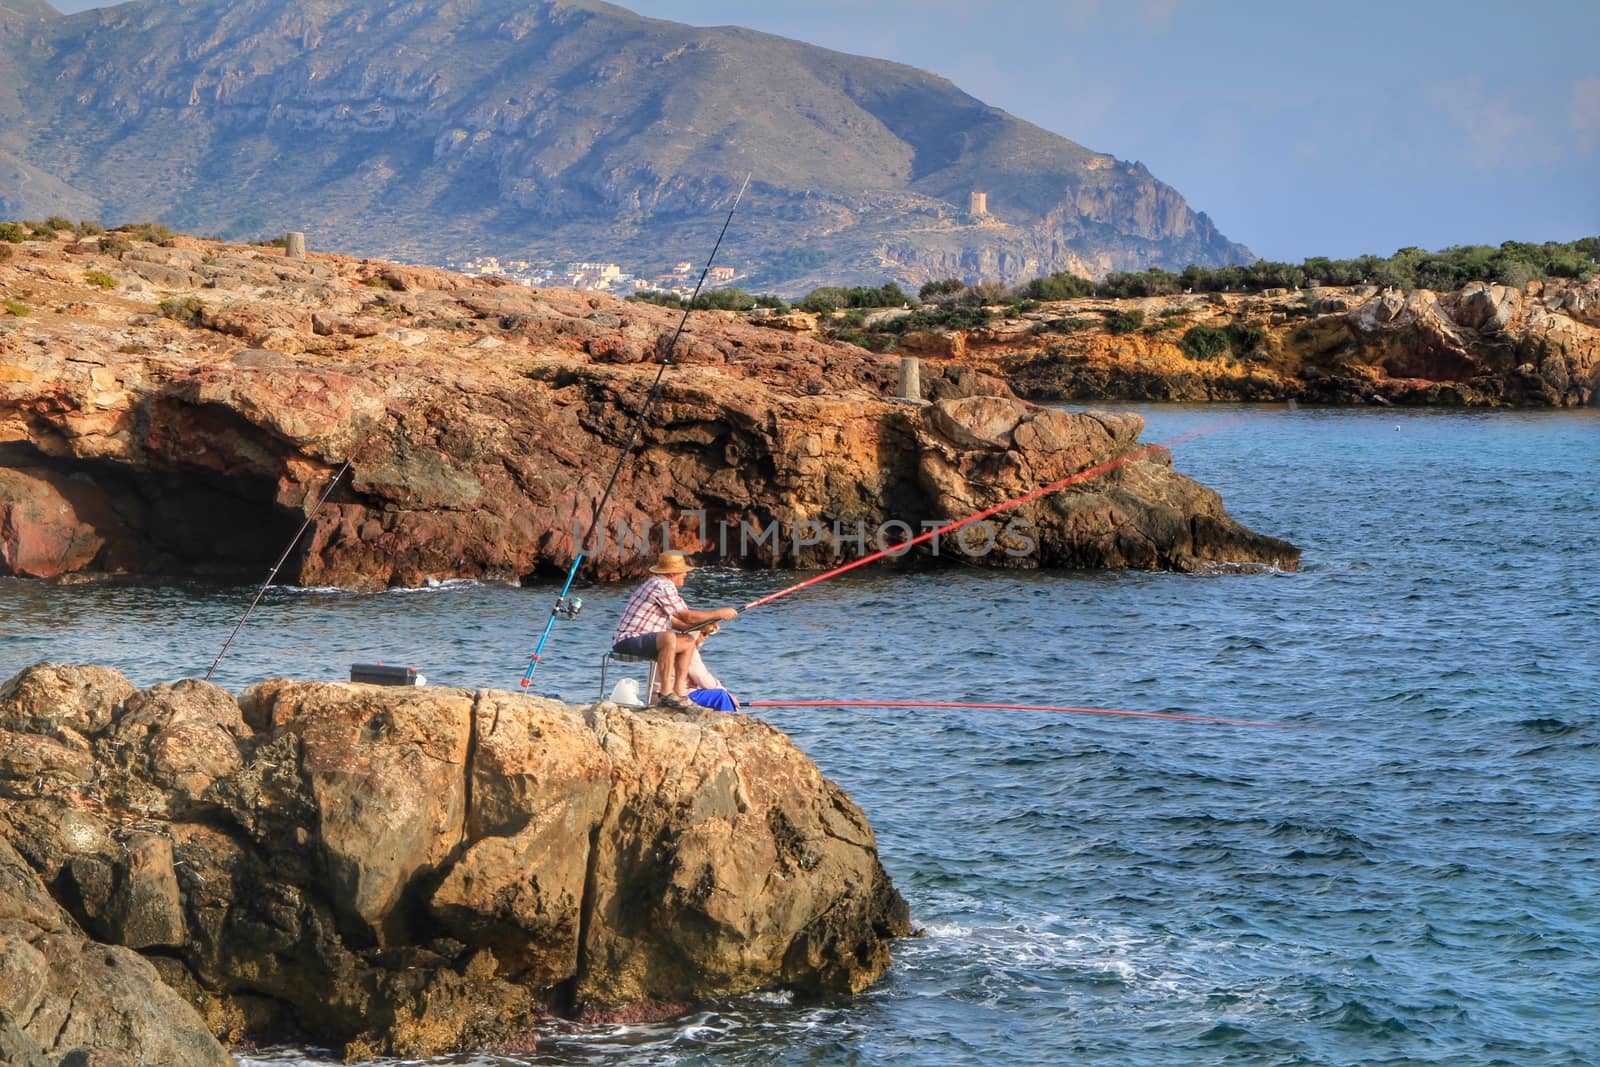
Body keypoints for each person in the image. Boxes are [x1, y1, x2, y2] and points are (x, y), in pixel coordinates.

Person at [611, 551, 737, 709]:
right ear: (672, 572)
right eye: (683, 571)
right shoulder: (662, 586)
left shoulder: (660, 585)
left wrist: (705, 626)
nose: (685, 574)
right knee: (669, 638)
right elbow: (686, 616)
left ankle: (679, 693)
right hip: (628, 640)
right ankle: (665, 694)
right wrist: (719, 613)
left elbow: (677, 622)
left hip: (646, 640)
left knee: (688, 641)